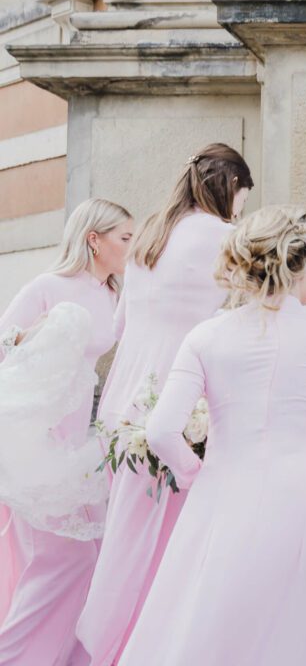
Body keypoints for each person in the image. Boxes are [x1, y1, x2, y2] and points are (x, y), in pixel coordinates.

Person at [118, 206, 306, 666]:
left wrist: (196, 473)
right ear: (305, 263)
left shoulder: (206, 336)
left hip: (226, 500)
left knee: (215, 631)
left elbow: (161, 431)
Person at [77, 143, 253, 666]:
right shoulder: (225, 237)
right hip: (177, 407)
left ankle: (115, 646)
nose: (244, 206)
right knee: (174, 546)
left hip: (123, 406)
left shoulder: (151, 231)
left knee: (129, 541)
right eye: (244, 194)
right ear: (230, 189)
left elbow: (119, 327)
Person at [0, 198, 134, 665]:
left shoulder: (114, 295)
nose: (131, 247)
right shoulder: (47, 286)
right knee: (59, 561)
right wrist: (31, 336)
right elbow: (2, 343)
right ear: (94, 240)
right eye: (124, 238)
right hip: (35, 446)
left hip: (81, 446)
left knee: (91, 561)